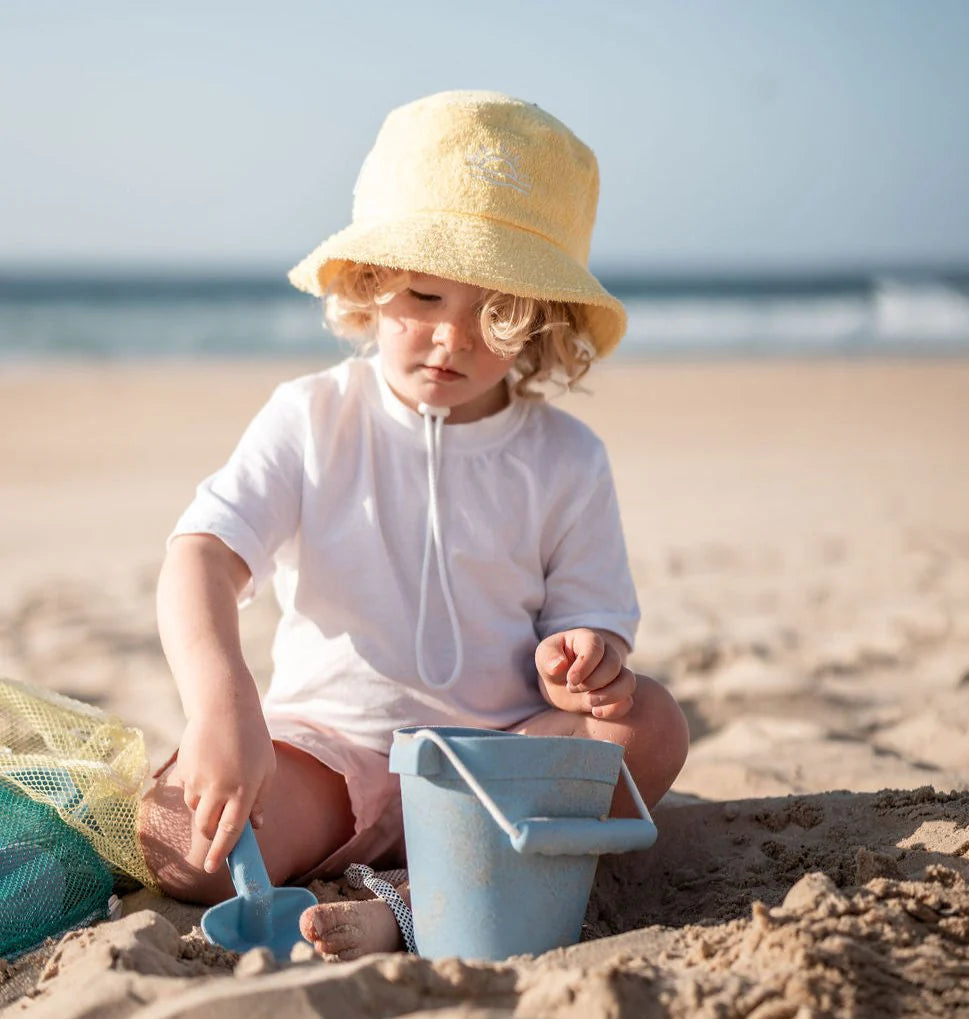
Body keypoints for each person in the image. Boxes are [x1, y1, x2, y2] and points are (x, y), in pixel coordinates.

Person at [139, 89, 689, 958]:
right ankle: (443, 885)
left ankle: (404, 903)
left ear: (538, 320)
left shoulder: (566, 457)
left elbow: (594, 624)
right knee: (176, 838)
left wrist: (583, 658)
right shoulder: (313, 417)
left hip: (499, 762)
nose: (450, 339)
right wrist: (220, 705)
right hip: (330, 759)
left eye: (493, 315)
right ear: (368, 284)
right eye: (425, 295)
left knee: (649, 726)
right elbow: (201, 557)